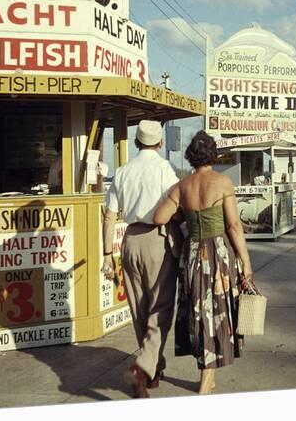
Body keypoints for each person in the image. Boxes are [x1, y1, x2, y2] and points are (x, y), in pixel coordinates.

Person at [153, 131, 256, 395]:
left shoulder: (182, 185)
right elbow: (233, 225)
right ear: (213, 154)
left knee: (199, 313)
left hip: (193, 253)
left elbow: (159, 217)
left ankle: (207, 377)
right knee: (216, 315)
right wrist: (246, 262)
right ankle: (204, 385)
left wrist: (182, 217)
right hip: (218, 253)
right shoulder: (222, 182)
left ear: (190, 156)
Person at [101, 120, 180, 398]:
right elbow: (176, 204)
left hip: (130, 241)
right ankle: (143, 368)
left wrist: (107, 254)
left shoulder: (123, 172)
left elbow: (110, 215)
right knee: (162, 306)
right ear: (159, 143)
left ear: (136, 142)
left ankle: (153, 369)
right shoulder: (164, 169)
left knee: (139, 308)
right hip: (157, 239)